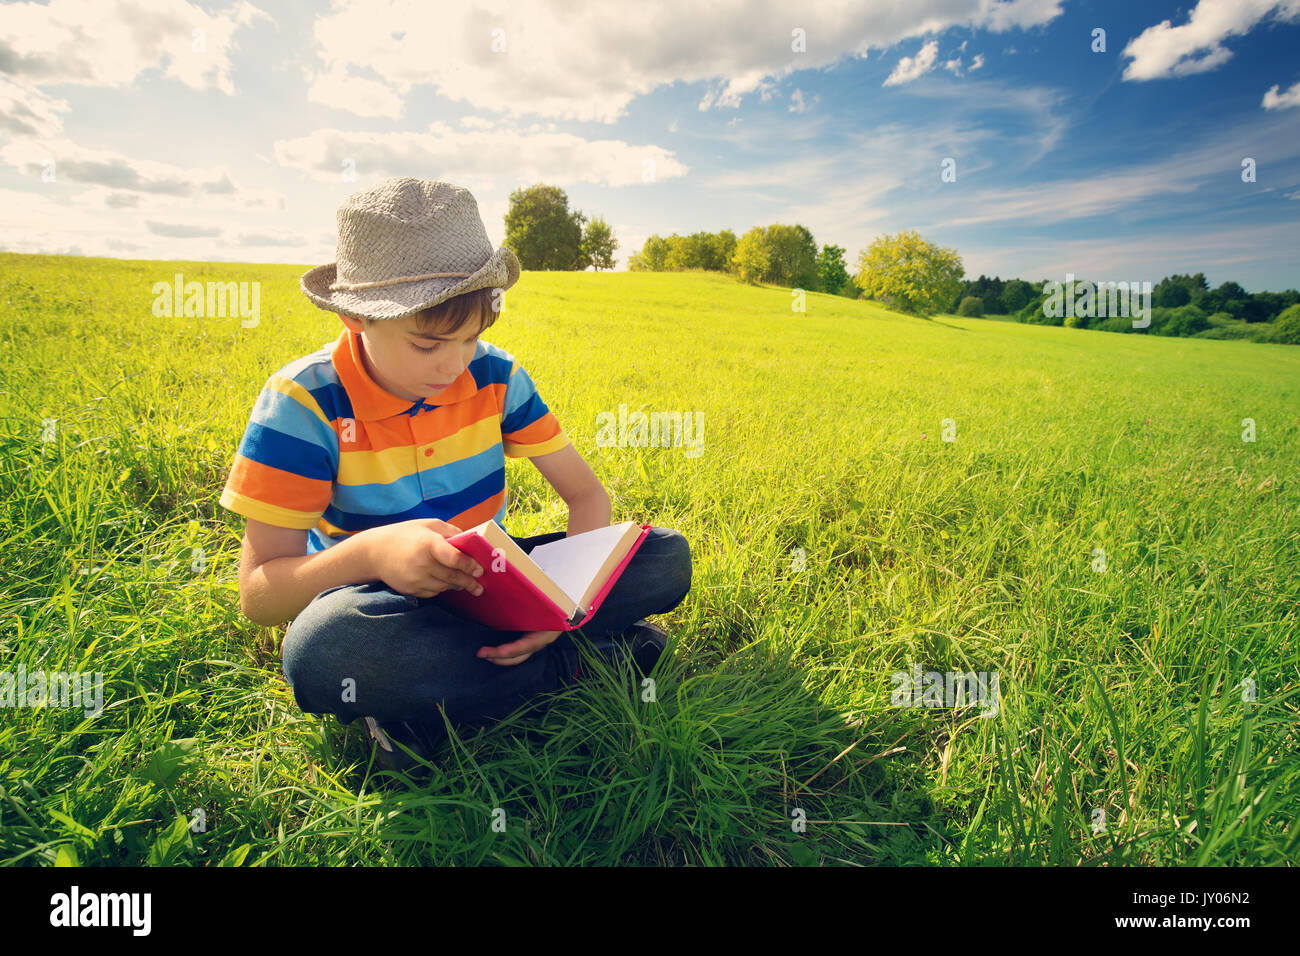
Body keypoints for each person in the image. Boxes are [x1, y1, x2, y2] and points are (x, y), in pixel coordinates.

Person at [218, 177, 692, 772]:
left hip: (488, 580)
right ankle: (579, 664)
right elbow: (260, 594)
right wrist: (375, 553)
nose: (454, 365)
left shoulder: (496, 375)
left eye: (471, 338)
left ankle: (434, 700)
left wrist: (557, 608)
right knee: (322, 650)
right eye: (427, 345)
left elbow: (586, 495)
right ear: (354, 316)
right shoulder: (304, 402)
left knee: (665, 557)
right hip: (375, 600)